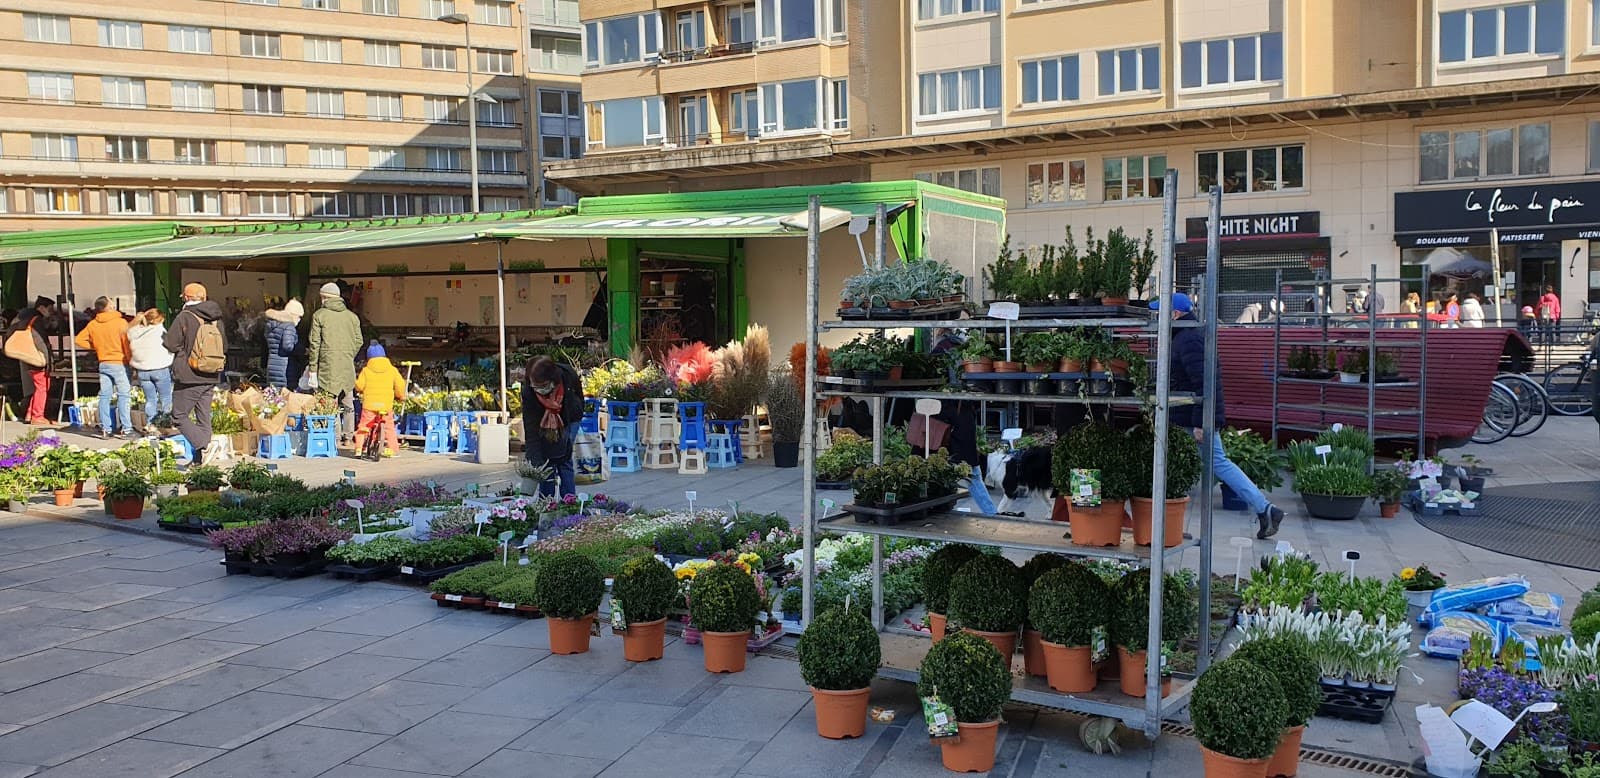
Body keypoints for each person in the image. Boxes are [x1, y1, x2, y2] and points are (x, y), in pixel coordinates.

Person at [1155, 292, 1285, 539]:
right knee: (1192, 464)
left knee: (1211, 463)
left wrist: (1201, 422)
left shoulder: (1188, 339)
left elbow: (1204, 382)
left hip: (1191, 417)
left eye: (1162, 312)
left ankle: (1265, 508)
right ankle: (1265, 509)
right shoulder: (1186, 336)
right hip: (1188, 415)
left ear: (1175, 314)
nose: (1158, 317)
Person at [164, 283, 226, 461]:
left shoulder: (185, 316)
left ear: (186, 297)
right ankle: (200, 460)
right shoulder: (216, 318)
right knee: (203, 416)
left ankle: (205, 446)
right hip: (211, 373)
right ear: (204, 297)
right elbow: (225, 346)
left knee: (179, 416)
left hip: (189, 374)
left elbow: (171, 343)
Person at [306, 283, 363, 440]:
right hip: (347, 365)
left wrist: (312, 368)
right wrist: (348, 354)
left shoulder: (319, 315)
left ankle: (335, 436)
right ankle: (349, 435)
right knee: (348, 402)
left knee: (330, 403)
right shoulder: (352, 317)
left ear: (324, 297)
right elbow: (359, 340)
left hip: (327, 366)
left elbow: (314, 344)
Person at [522, 355, 583, 498]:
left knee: (564, 460)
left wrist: (576, 410)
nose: (538, 389)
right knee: (546, 462)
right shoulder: (529, 391)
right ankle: (546, 503)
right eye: (534, 385)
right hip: (542, 424)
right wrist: (535, 463)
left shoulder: (567, 375)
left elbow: (579, 396)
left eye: (542, 385)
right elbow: (531, 427)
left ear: (552, 381)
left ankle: (569, 502)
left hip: (569, 419)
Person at [75, 297, 136, 439]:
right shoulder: (120, 323)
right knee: (123, 395)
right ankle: (126, 429)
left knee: (104, 396)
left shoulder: (93, 324)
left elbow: (78, 340)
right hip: (119, 362)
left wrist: (97, 347)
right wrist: (130, 360)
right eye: (112, 303)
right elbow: (126, 344)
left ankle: (105, 429)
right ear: (108, 307)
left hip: (103, 362)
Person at [5, 297, 59, 426]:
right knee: (42, 387)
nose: (51, 312)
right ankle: (37, 416)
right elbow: (40, 342)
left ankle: (30, 413)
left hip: (28, 358)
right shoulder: (36, 320)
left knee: (38, 387)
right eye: (49, 309)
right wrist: (48, 360)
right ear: (41, 308)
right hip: (37, 359)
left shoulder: (24, 318)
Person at [353, 342, 405, 457]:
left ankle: (359, 448)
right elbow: (400, 386)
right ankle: (393, 450)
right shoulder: (392, 370)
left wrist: (358, 388)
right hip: (386, 406)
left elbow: (360, 386)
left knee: (364, 426)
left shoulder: (366, 371)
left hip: (369, 406)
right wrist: (400, 396)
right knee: (389, 428)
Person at [128, 309, 173, 432]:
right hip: (160, 368)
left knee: (150, 399)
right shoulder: (160, 331)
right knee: (165, 398)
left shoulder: (134, 332)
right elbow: (171, 347)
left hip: (142, 371)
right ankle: (165, 423)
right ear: (160, 320)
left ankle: (150, 424)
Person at [263, 299, 303, 388]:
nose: (299, 320)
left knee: (274, 396)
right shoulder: (289, 326)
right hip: (285, 367)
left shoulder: (271, 324)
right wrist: (301, 350)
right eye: (299, 316)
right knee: (286, 395)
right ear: (293, 314)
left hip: (272, 364)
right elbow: (288, 346)